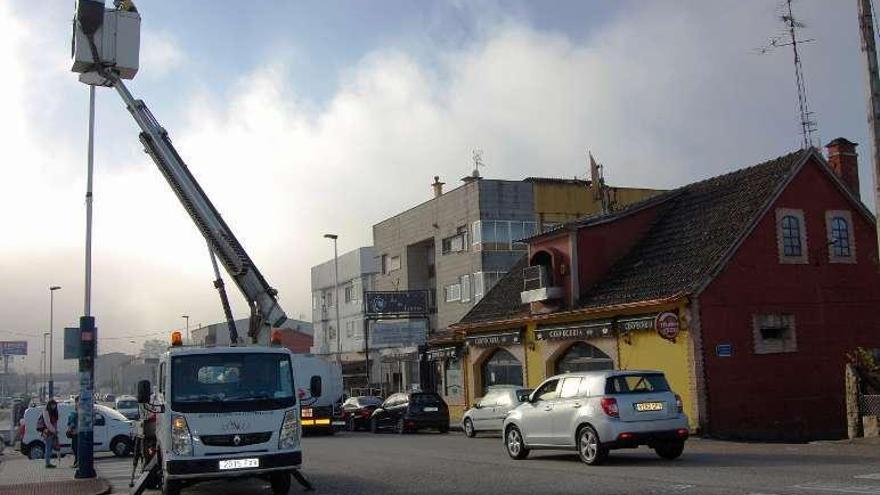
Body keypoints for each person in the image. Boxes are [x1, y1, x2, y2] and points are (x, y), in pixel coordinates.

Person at [40, 399, 60, 468]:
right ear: (50, 405)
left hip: (52, 432)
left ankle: (48, 462)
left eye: (55, 405)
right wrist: (54, 430)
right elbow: (48, 423)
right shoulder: (46, 411)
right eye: (53, 405)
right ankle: (47, 463)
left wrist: (55, 430)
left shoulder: (54, 412)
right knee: (48, 448)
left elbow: (55, 422)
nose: (54, 406)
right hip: (48, 432)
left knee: (50, 448)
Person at [67, 397, 79, 468]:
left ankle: (77, 462)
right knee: (75, 447)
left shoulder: (75, 412)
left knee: (75, 447)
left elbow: (72, 423)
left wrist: (70, 429)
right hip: (76, 432)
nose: (76, 404)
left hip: (76, 432)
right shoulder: (76, 411)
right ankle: (76, 462)